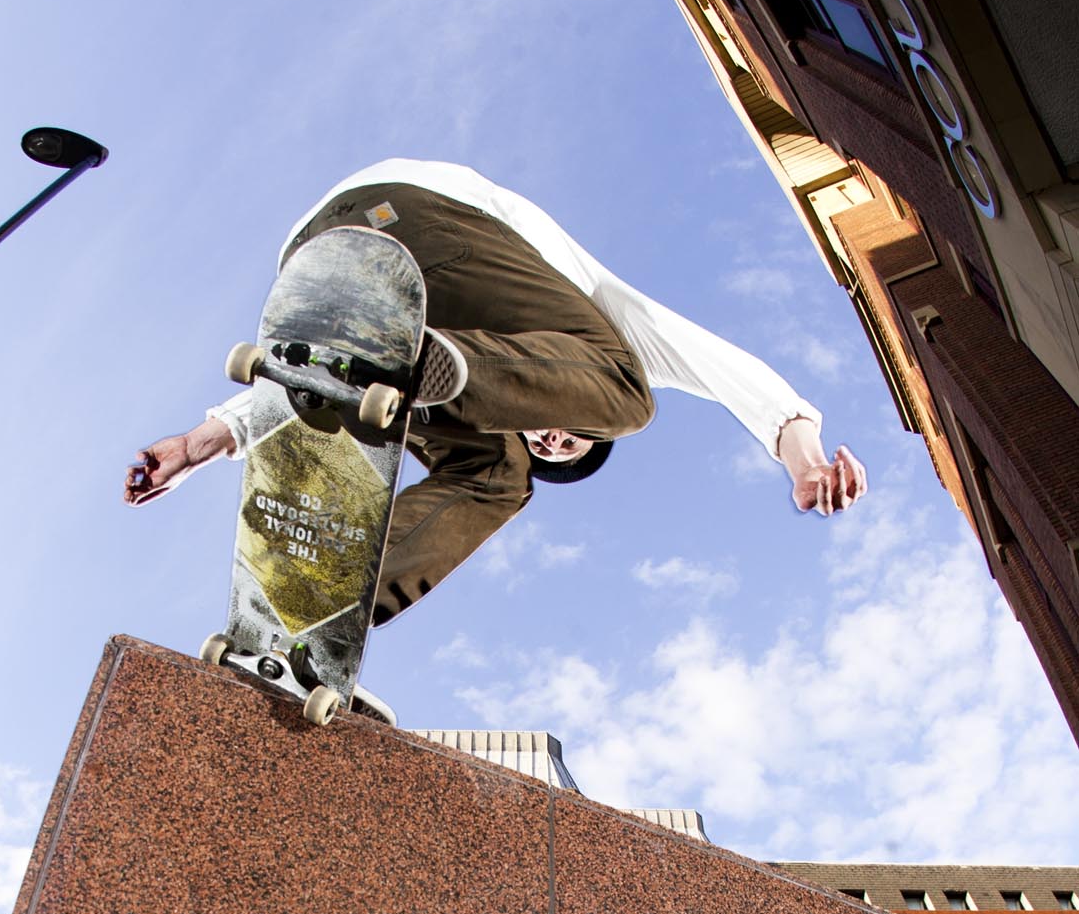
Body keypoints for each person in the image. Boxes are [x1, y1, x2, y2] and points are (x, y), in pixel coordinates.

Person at [125, 160, 867, 627]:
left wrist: (204, 441)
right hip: (419, 216)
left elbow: (310, 375)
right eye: (567, 433)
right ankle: (436, 363)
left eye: (546, 442)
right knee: (630, 395)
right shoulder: (612, 333)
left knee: (495, 477)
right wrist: (802, 460)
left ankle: (321, 605)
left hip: (317, 264)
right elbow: (726, 370)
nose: (548, 435)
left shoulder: (503, 429)